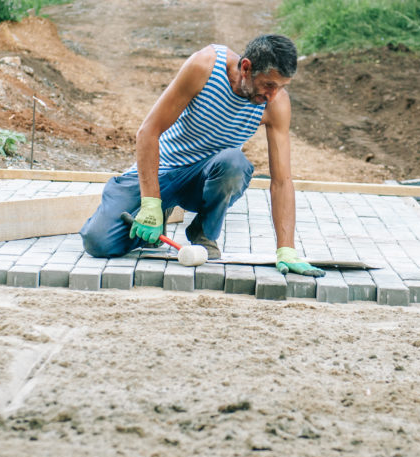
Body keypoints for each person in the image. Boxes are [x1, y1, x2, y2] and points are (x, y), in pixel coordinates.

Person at [80, 34, 325, 278]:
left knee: (235, 163)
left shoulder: (276, 103)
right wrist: (150, 204)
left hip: (205, 178)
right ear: (247, 67)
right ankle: (159, 216)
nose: (273, 94)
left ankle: (203, 232)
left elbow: (282, 181)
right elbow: (148, 132)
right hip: (163, 169)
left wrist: (286, 249)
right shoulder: (205, 66)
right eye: (269, 85)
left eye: (282, 86)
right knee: (99, 242)